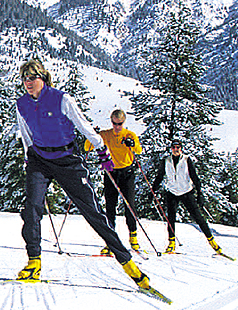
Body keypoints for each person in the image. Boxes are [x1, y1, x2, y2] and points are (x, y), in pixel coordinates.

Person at [15, 59, 149, 290]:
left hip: (67, 160)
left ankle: (128, 264)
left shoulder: (61, 99)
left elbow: (83, 125)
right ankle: (33, 262)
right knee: (31, 208)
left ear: (43, 78)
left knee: (92, 211)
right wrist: (29, 156)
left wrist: (101, 148)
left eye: (32, 77)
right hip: (39, 159)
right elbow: (25, 131)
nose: (28, 82)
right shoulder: (22, 104)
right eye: (25, 78)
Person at [84, 109, 142, 256]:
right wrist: (92, 135)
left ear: (124, 122)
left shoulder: (129, 134)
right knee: (110, 207)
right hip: (111, 173)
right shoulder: (106, 134)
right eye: (115, 123)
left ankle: (133, 238)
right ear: (111, 121)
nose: (117, 127)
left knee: (129, 205)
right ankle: (111, 242)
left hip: (127, 173)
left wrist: (132, 144)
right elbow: (87, 147)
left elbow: (139, 150)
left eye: (120, 124)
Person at [150, 139, 222, 254]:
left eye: (178, 147)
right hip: (172, 192)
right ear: (171, 149)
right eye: (173, 147)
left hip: (186, 192)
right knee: (170, 218)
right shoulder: (166, 160)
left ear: (181, 148)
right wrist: (152, 191)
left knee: (198, 217)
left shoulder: (186, 159)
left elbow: (194, 176)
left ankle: (212, 242)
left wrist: (199, 193)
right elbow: (159, 177)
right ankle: (171, 243)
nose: (176, 149)